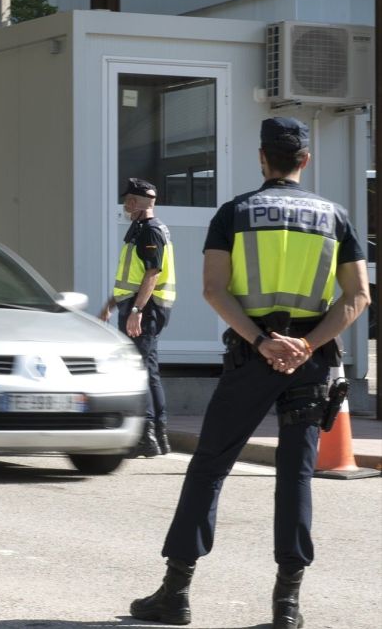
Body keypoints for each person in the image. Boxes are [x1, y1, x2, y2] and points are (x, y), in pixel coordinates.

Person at [128, 117, 369, 629]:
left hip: (250, 357)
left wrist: (262, 341)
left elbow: (215, 289)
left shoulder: (234, 213)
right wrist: (305, 344)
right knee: (296, 476)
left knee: (210, 466)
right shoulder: (336, 217)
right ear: (304, 160)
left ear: (262, 158)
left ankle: (176, 592)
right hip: (310, 362)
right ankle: (287, 607)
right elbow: (358, 297)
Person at [100, 178, 176, 457]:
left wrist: (136, 312)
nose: (124, 205)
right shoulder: (141, 228)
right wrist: (111, 304)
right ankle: (159, 436)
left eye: (127, 200)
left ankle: (146, 437)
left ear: (135, 202)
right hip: (138, 306)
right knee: (150, 372)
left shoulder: (151, 231)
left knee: (138, 371)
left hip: (145, 309)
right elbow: (130, 276)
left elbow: (151, 274)